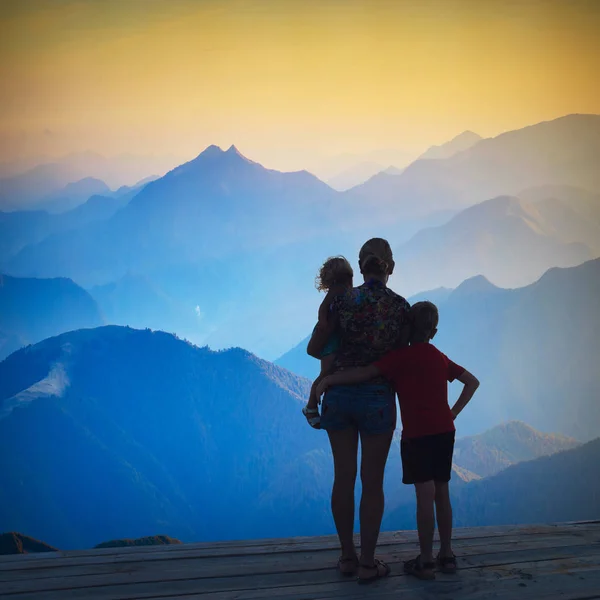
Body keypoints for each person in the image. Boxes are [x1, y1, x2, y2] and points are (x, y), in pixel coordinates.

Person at [316, 301, 480, 580]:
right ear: (435, 331)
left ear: (406, 327)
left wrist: (330, 380)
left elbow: (365, 373)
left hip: (418, 436)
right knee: (443, 492)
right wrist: (452, 413)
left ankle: (426, 562)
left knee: (424, 496)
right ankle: (447, 555)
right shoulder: (440, 357)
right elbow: (472, 382)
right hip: (445, 431)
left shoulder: (399, 358)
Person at [306, 238, 411, 583]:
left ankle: (347, 558)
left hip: (337, 396)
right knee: (372, 483)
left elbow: (317, 347)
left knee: (343, 478)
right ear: (390, 267)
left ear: (361, 265)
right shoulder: (400, 308)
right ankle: (368, 563)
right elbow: (400, 361)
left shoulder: (342, 302)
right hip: (378, 401)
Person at [302, 257, 354, 429]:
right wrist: (324, 323)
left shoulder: (340, 290)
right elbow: (323, 307)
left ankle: (312, 405)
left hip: (332, 336)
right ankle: (310, 406)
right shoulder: (338, 290)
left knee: (329, 370)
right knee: (326, 372)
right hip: (329, 338)